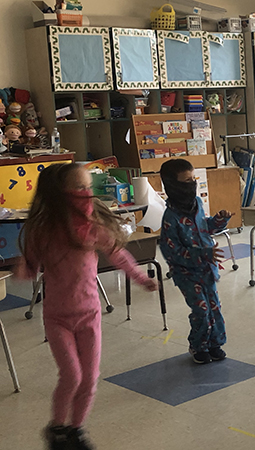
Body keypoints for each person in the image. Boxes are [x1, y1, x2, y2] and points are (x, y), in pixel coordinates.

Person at [16, 164, 157, 450]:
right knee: (72, 375)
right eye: (79, 188)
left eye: (87, 186)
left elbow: (120, 256)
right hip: (57, 319)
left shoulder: (93, 228)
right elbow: (29, 267)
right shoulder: (44, 231)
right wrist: (23, 269)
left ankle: (76, 429)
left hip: (89, 315)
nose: (87, 193)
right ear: (60, 194)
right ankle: (56, 428)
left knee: (90, 378)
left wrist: (141, 278)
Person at [159, 159, 232, 364]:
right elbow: (171, 252)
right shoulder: (170, 218)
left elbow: (204, 227)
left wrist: (219, 220)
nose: (192, 184)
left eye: (193, 179)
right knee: (201, 309)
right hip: (187, 274)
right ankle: (198, 345)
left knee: (214, 306)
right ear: (173, 185)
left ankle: (214, 343)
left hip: (207, 269)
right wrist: (201, 254)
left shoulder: (198, 204)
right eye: (186, 181)